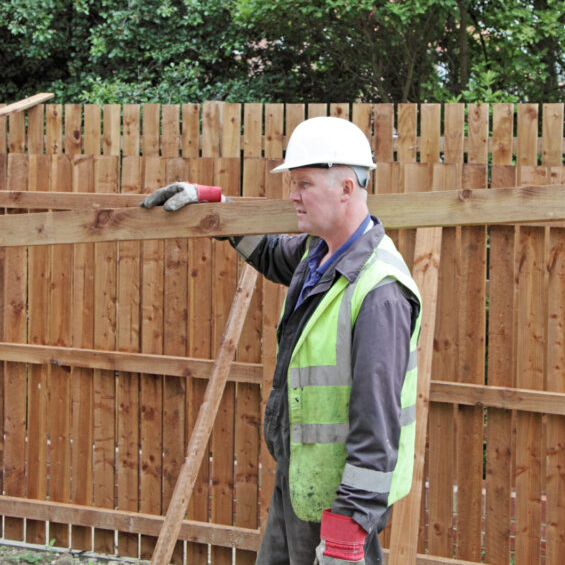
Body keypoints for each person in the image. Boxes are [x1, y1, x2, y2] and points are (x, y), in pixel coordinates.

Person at [141, 117, 422, 564]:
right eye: (293, 183)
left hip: (340, 506)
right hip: (301, 485)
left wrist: (347, 538)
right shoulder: (321, 253)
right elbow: (271, 253)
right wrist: (216, 204)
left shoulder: (379, 291)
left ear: (347, 188)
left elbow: (377, 428)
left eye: (304, 183)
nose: (292, 195)